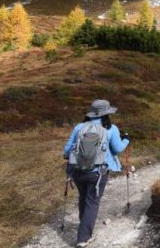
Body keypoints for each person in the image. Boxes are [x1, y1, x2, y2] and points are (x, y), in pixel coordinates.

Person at [63, 99, 129, 247]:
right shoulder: (111, 128)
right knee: (92, 202)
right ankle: (83, 238)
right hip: (98, 172)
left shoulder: (79, 127)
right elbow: (118, 149)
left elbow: (67, 150)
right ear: (106, 114)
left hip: (77, 170)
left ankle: (84, 226)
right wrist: (126, 141)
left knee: (84, 198)